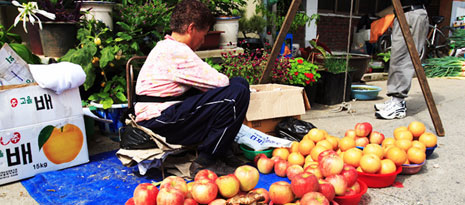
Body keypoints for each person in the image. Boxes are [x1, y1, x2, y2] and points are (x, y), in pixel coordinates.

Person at [134, 0, 250, 176]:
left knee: (239, 84)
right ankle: (207, 160)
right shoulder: (176, 51)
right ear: (191, 28)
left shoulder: (166, 46)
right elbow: (221, 82)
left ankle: (222, 148)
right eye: (203, 34)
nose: (203, 41)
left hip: (163, 114)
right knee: (237, 92)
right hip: (158, 121)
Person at [375, 0, 429, 119]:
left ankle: (398, 104)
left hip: (412, 13)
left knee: (404, 58)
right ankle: (395, 99)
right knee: (396, 57)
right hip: (402, 13)